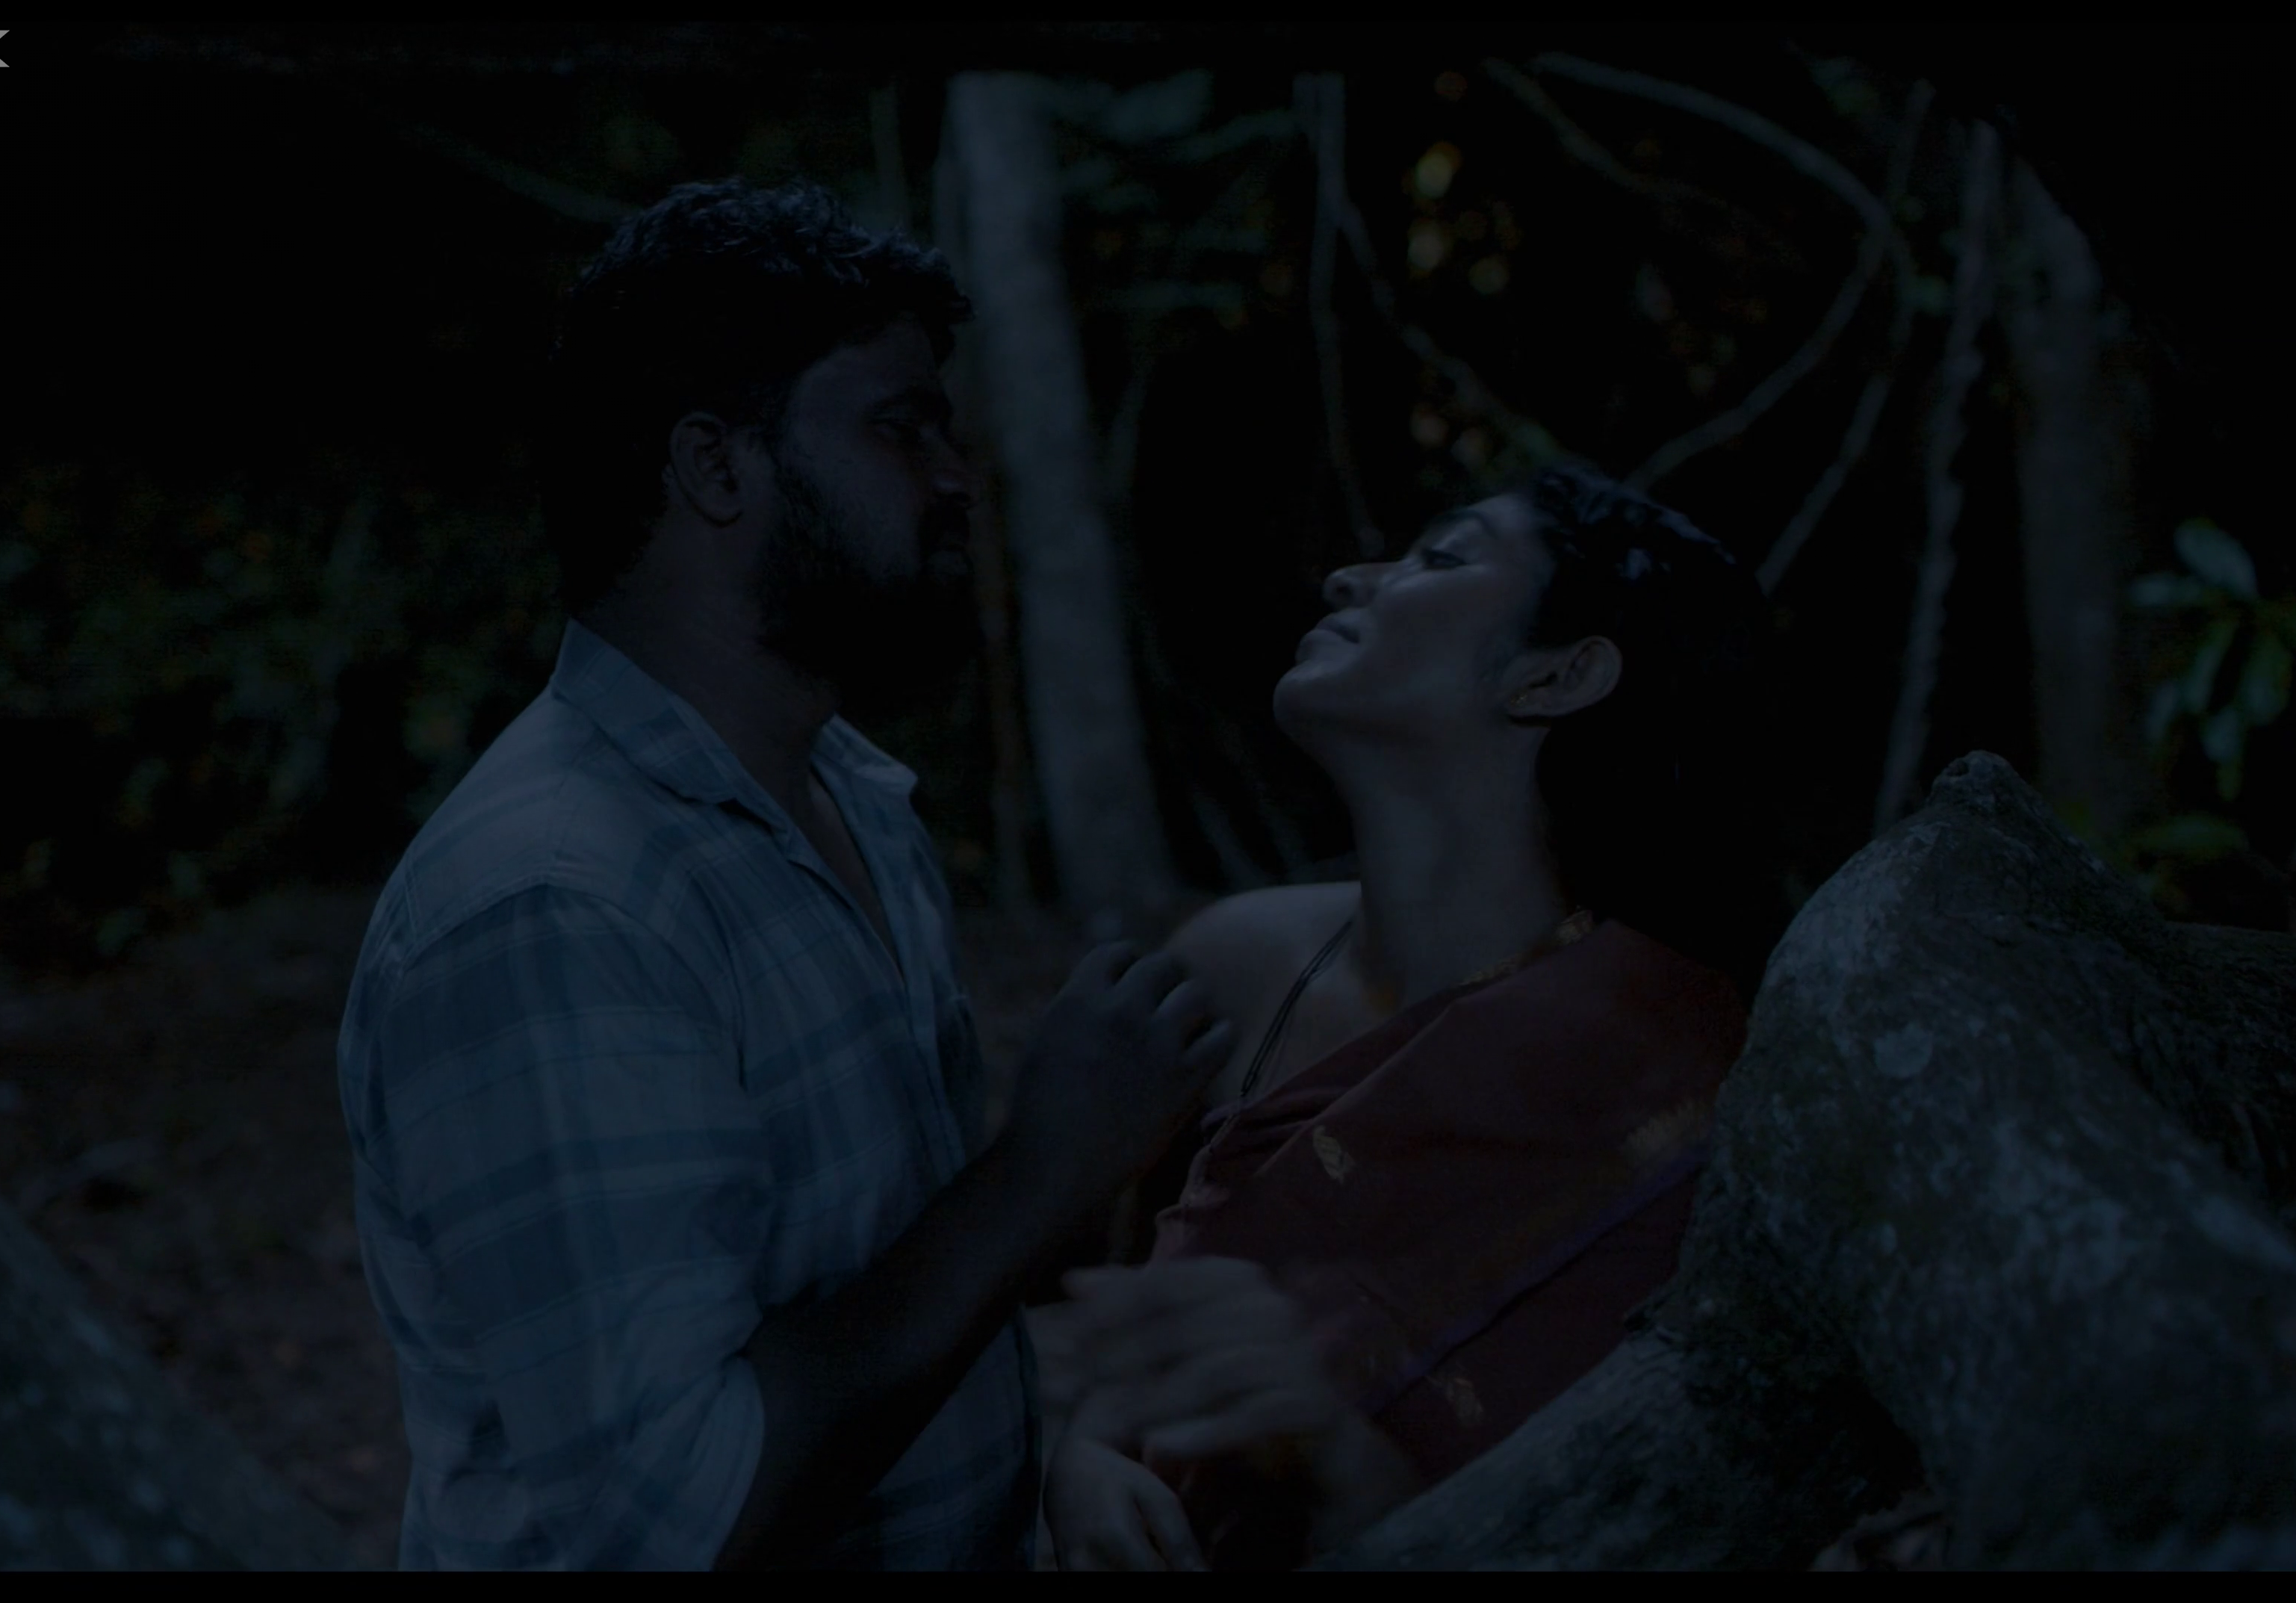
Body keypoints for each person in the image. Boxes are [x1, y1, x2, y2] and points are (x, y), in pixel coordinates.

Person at [336, 180, 1235, 1570]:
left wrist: (1073, 1430)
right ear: (716, 468)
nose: (955, 476)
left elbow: (902, 1298)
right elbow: (680, 1524)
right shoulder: (552, 905)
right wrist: (1042, 1167)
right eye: (899, 427)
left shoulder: (858, 802)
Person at [1040, 465, 1784, 1569]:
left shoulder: (1674, 1081)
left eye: (1441, 557)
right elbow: (1062, 1327)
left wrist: (1339, 1465)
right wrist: (1074, 1456)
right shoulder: (1233, 966)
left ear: (1559, 676)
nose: (1351, 577)